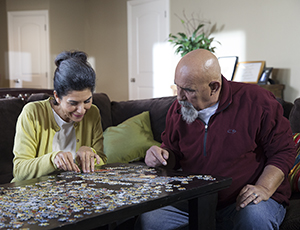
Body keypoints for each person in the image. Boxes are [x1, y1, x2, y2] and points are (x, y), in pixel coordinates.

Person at [135, 49, 297, 230]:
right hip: (196, 200)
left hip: (245, 199)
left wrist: (264, 188)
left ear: (214, 87)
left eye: (188, 90)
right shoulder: (178, 108)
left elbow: (283, 151)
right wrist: (160, 157)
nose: (179, 97)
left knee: (254, 219)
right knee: (151, 219)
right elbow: (172, 153)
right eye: (177, 86)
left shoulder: (257, 101)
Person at [12, 50, 107, 182]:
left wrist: (91, 153)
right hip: (36, 194)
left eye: (87, 101)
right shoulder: (32, 113)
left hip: (77, 193)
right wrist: (52, 159)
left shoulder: (93, 113)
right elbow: (20, 171)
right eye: (73, 103)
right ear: (57, 96)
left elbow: (103, 161)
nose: (81, 110)